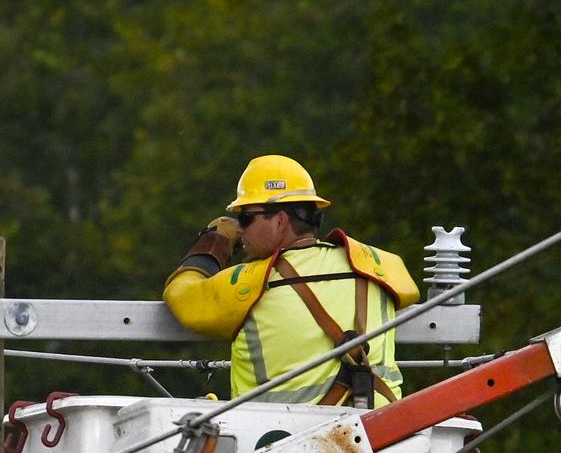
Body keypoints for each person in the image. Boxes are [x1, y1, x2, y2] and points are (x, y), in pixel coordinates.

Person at [162, 154, 421, 406]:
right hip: (386, 438)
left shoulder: (251, 283)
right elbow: (409, 293)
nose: (240, 229)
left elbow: (181, 295)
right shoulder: (377, 266)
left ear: (280, 220)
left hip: (278, 442)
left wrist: (212, 245)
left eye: (246, 218)